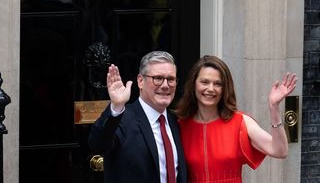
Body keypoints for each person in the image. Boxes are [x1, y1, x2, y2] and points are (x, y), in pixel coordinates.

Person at [175, 55, 297, 183]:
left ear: (225, 89)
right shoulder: (180, 125)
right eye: (204, 82)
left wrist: (274, 108)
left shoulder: (240, 122)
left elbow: (279, 150)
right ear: (193, 85)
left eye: (218, 84)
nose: (210, 89)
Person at [88, 51, 187, 183]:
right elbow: (98, 145)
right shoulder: (122, 119)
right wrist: (116, 107)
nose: (165, 85)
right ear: (140, 81)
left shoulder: (175, 121)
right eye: (158, 78)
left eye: (171, 79)